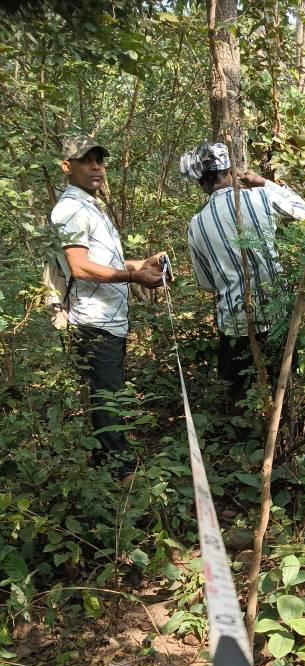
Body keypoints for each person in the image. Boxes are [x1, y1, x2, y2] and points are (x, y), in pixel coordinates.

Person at [50, 135, 166, 485]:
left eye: (99, 160)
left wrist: (140, 264)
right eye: (86, 161)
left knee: (108, 392)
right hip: (94, 321)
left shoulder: (90, 206)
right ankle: (122, 472)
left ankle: (105, 461)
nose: (96, 167)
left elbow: (102, 261)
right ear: (67, 167)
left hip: (110, 319)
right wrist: (133, 276)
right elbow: (79, 266)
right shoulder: (70, 209)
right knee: (107, 396)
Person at [180, 142, 305, 409]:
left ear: (201, 184)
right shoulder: (260, 197)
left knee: (239, 398)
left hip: (235, 322)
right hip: (277, 314)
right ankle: (286, 428)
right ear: (231, 172)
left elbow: (206, 283)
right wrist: (263, 181)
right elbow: (302, 211)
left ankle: (244, 431)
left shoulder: (196, 225)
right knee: (284, 388)